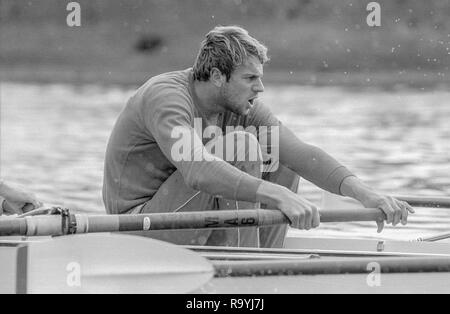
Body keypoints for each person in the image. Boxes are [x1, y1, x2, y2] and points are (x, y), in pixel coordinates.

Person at [103, 25, 414, 248]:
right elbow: (197, 170)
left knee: (281, 158)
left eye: (260, 78)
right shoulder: (166, 97)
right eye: (250, 78)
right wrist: (278, 196)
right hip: (139, 229)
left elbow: (304, 156)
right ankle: (247, 272)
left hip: (182, 218)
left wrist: (365, 194)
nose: (260, 88)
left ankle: (264, 259)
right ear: (216, 76)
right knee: (242, 146)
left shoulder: (241, 105)